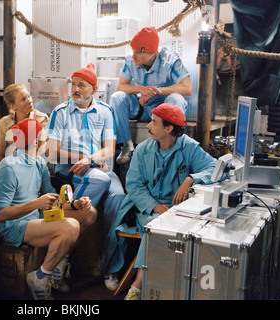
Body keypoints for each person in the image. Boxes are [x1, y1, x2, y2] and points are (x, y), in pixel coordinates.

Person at [103, 103, 217, 300]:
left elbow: (215, 168)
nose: (148, 126)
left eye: (154, 122)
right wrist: (154, 206)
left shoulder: (189, 147)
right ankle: (137, 288)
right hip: (145, 208)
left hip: (177, 209)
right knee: (155, 228)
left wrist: (191, 178)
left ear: (169, 128)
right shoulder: (143, 149)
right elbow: (134, 185)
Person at [0, 118, 97, 300]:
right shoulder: (8, 168)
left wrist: (74, 204)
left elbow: (52, 198)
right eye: (44, 135)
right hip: (14, 225)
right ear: (35, 141)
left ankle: (58, 264)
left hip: (36, 215)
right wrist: (36, 204)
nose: (47, 138)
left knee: (89, 213)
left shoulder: (39, 162)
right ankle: (40, 277)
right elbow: (0, 215)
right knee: (70, 226)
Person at [46, 63, 126, 290]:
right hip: (69, 170)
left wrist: (90, 160)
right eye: (73, 84)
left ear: (94, 88)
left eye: (81, 85)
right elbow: (52, 151)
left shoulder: (105, 111)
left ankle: (110, 268)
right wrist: (81, 158)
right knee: (99, 180)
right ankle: (62, 258)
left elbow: (110, 149)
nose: (75, 89)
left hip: (100, 169)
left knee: (119, 199)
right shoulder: (60, 112)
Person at [110, 26, 193, 164]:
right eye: (133, 51)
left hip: (163, 113)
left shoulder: (170, 60)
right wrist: (141, 89)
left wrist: (156, 90)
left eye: (138, 52)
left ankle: (171, 147)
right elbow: (121, 86)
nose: (133, 55)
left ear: (153, 53)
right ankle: (126, 146)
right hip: (143, 107)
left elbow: (187, 88)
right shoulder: (130, 60)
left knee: (176, 99)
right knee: (117, 97)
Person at [0, 84, 49, 162]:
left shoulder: (41, 119)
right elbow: (1, 154)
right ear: (13, 106)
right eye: (23, 99)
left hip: (35, 165)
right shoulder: (4, 122)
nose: (29, 101)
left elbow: (42, 152)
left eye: (29, 96)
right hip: (11, 166)